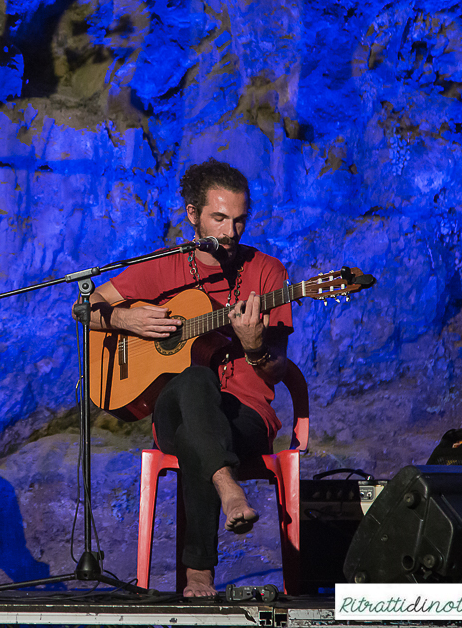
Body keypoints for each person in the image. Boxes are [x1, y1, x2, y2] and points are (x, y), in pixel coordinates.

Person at [86, 160, 292, 597]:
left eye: (239, 220)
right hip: (172, 408)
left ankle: (198, 576)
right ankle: (227, 487)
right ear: (192, 214)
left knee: (200, 401)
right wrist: (126, 319)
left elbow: (278, 368)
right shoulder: (163, 266)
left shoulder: (267, 274)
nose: (231, 232)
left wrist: (254, 346)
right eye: (219, 219)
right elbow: (85, 309)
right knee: (196, 382)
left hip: (246, 418)